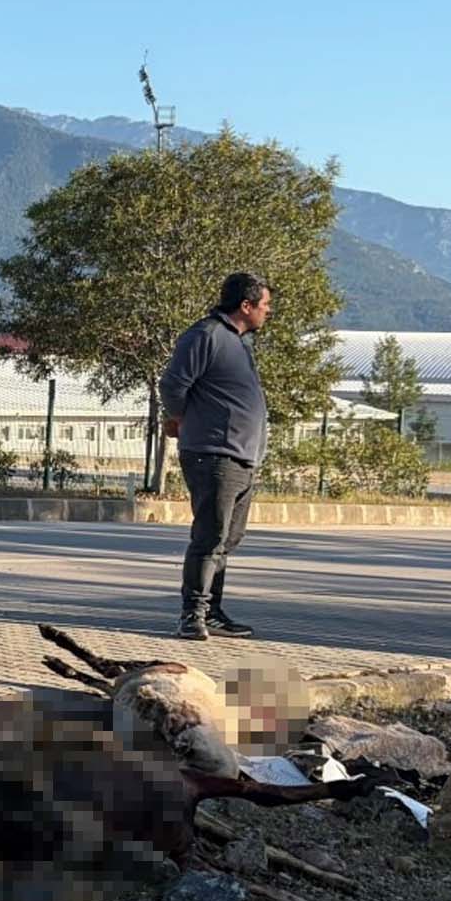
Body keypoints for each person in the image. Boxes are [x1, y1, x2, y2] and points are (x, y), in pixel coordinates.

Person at [159, 272, 272, 641]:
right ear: (246, 306)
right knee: (209, 536)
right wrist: (181, 419)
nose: (267, 312)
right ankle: (192, 615)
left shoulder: (238, 342)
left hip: (243, 458)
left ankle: (213, 612)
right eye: (265, 305)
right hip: (214, 454)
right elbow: (173, 384)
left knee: (227, 539)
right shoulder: (205, 335)